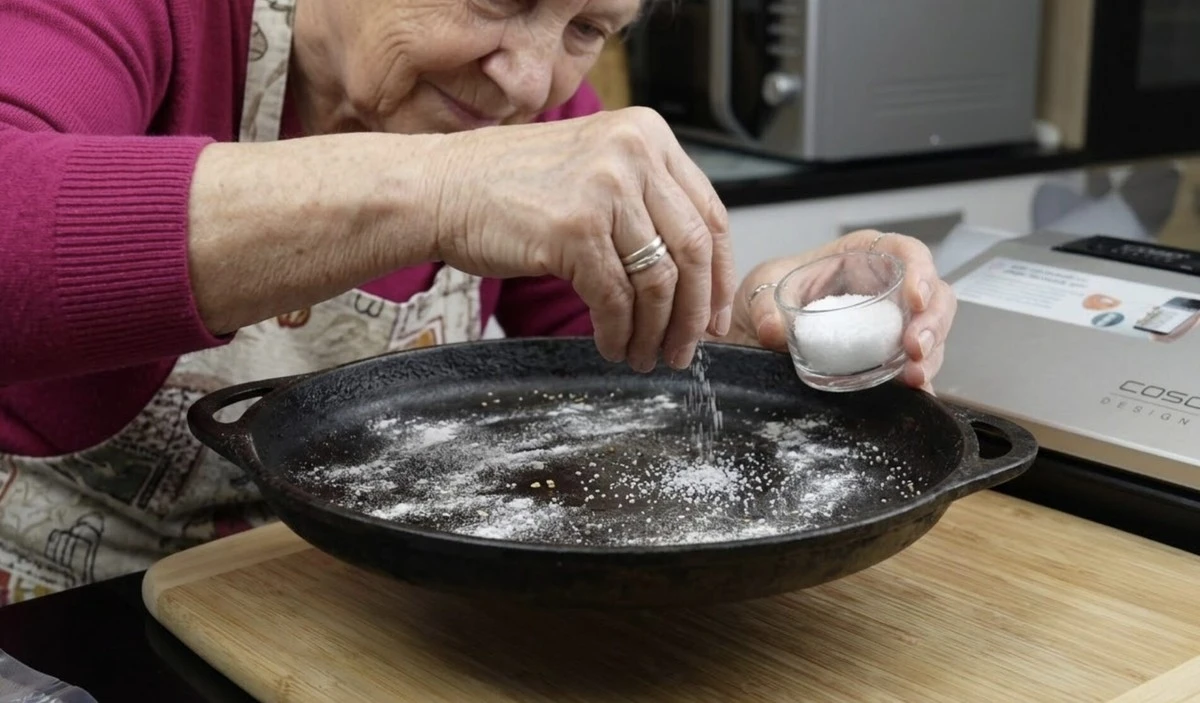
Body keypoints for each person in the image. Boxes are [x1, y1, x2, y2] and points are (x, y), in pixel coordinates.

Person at [0, 0, 957, 605]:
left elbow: (622, 351)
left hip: (359, 613)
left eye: (588, 28)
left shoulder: (533, 109)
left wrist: (759, 316)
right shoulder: (144, 15)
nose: (531, 79)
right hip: (66, 630)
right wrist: (443, 187)